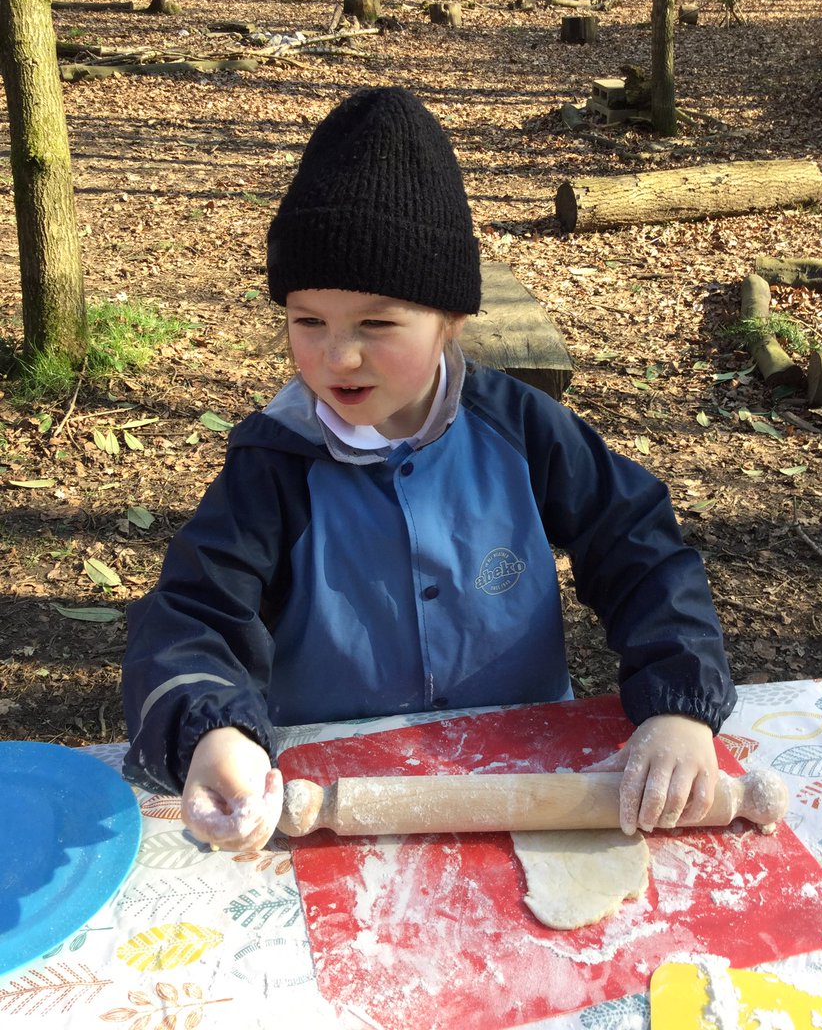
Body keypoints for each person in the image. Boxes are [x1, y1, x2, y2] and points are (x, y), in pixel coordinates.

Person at [122, 86, 736, 853]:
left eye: (377, 324)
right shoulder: (274, 465)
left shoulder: (521, 429)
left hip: (532, 778)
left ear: (450, 320)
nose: (337, 356)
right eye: (307, 321)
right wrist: (214, 732)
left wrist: (678, 703)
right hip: (335, 795)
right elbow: (192, 617)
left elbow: (639, 544)